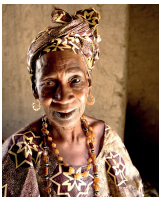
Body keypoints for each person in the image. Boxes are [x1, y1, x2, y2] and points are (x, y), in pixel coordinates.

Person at [2, 7, 144, 197]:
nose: (63, 96)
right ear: (35, 91)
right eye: (49, 82)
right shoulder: (20, 151)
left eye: (75, 80)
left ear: (89, 85)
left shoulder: (107, 141)